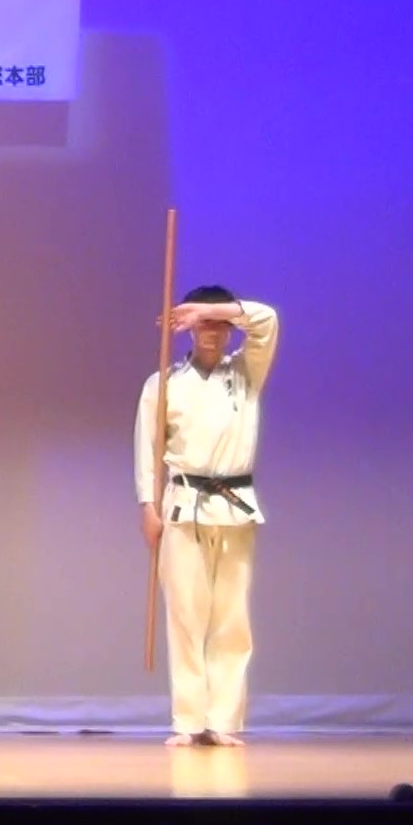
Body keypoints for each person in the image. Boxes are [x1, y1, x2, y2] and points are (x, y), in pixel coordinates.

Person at [135, 286, 279, 748]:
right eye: (202, 324)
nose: (211, 332)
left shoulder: (246, 372)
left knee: (231, 618)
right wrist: (148, 505)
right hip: (183, 506)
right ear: (189, 331)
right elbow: (147, 449)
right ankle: (188, 721)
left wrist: (208, 309)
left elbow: (267, 320)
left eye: (218, 323)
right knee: (185, 615)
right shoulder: (164, 383)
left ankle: (223, 720)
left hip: (235, 507)